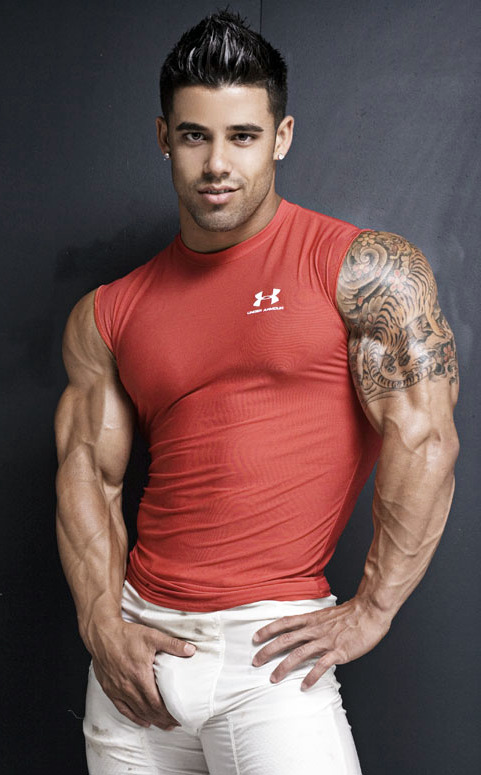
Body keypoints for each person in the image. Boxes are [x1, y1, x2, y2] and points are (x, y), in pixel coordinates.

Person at [54, 9, 459, 775]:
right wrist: (101, 623)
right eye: (194, 136)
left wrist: (372, 608)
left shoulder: (364, 271)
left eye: (241, 135)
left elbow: (425, 438)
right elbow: (86, 473)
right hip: (135, 656)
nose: (216, 163)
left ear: (280, 136)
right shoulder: (108, 312)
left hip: (272, 657)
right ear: (164, 137)